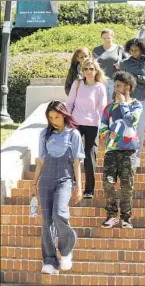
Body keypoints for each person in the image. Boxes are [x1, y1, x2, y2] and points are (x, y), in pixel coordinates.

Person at [33, 100, 85, 274]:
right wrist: (34, 182)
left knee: (60, 214)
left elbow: (77, 162)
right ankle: (49, 261)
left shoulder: (74, 134)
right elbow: (41, 161)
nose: (54, 120)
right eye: (51, 117)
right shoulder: (44, 134)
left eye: (57, 116)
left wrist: (79, 187)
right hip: (45, 180)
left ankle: (66, 248)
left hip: (65, 179)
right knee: (47, 221)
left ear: (64, 115)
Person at [99, 71, 143, 229]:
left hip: (129, 151)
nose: (115, 89)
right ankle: (112, 214)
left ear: (128, 87)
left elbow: (131, 121)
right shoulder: (109, 108)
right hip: (111, 151)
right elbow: (102, 127)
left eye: (119, 86)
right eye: (114, 85)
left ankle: (126, 217)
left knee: (127, 185)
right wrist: (106, 134)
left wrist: (123, 103)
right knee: (107, 183)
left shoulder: (136, 105)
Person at [66, 59, 107, 199]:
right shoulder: (77, 84)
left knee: (90, 155)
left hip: (92, 124)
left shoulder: (100, 87)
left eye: (91, 69)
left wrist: (104, 126)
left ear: (96, 71)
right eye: (86, 69)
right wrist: (67, 121)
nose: (88, 72)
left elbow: (102, 107)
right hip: (76, 123)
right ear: (82, 71)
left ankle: (89, 189)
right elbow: (69, 103)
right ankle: (72, 181)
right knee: (73, 152)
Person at [120, 38, 145, 167]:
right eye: (131, 50)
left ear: (142, 49)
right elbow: (121, 81)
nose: (133, 52)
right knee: (130, 127)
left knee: (140, 128)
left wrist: (138, 78)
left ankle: (136, 155)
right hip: (130, 99)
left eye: (136, 50)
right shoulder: (125, 63)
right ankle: (128, 154)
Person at [93, 29, 128, 102]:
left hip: (115, 81)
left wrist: (121, 65)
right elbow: (92, 64)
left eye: (108, 38)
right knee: (102, 102)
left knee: (114, 102)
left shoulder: (119, 48)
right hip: (101, 80)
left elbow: (128, 61)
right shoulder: (96, 50)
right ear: (101, 38)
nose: (107, 40)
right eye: (104, 38)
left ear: (112, 37)